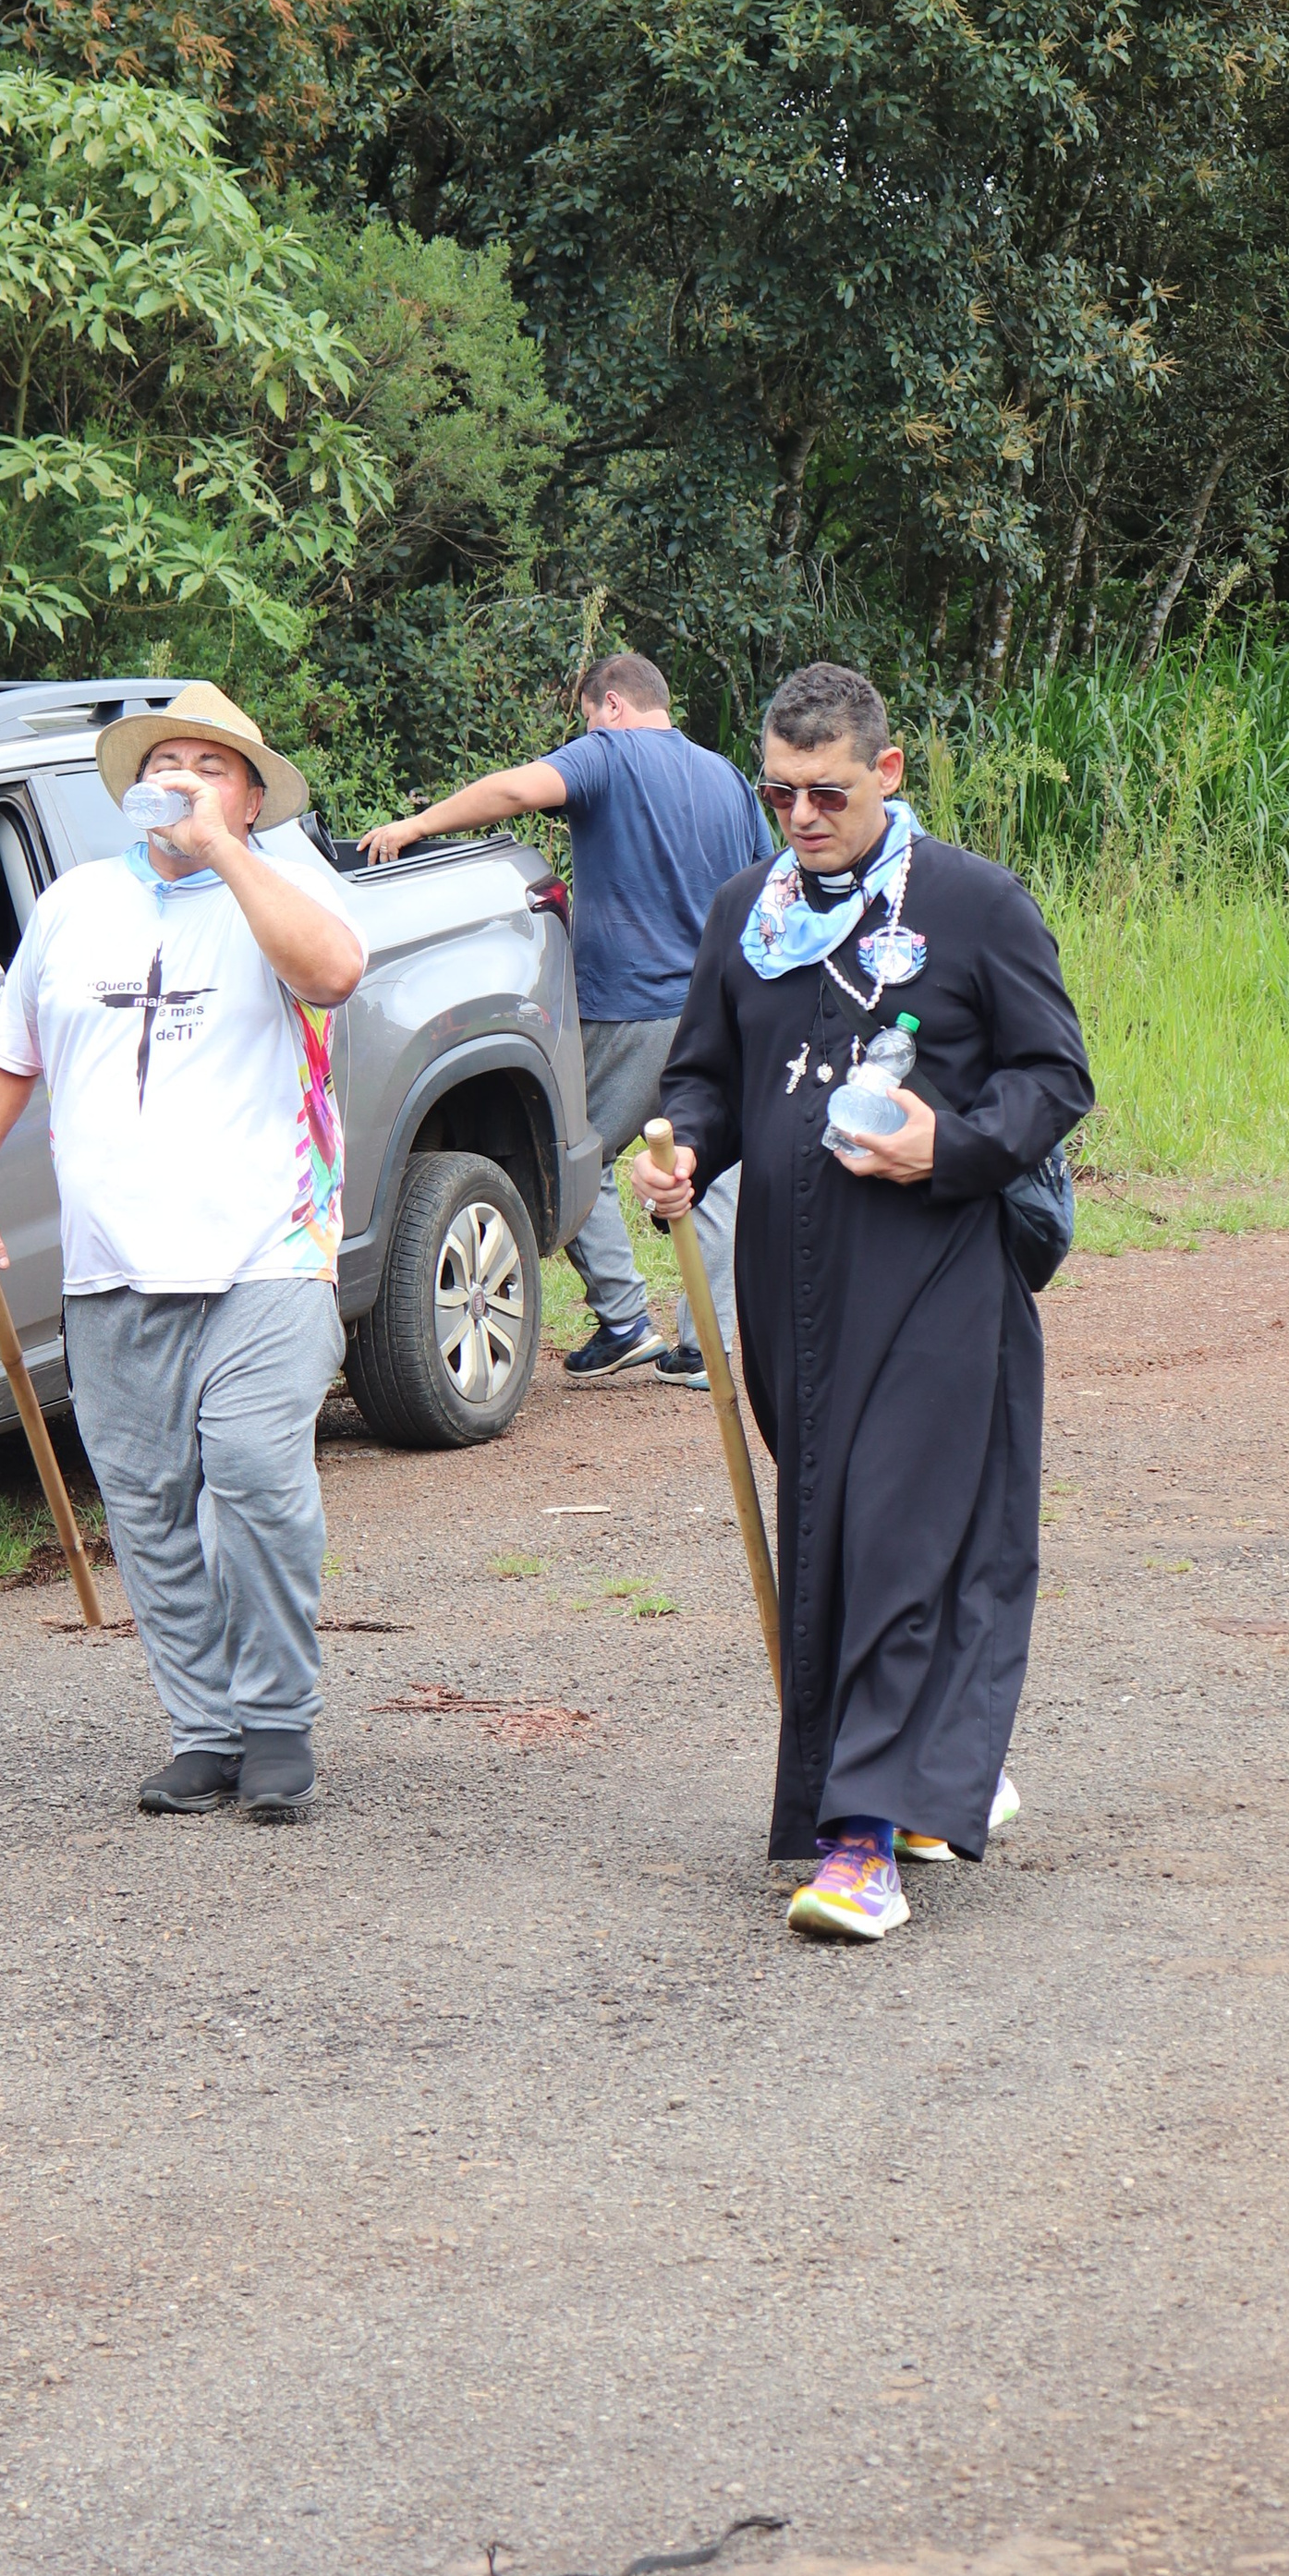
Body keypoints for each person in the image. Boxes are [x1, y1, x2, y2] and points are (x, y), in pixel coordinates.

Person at [634, 661, 1092, 1943]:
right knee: (837, 1530)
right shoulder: (746, 911)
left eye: (825, 792)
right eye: (779, 792)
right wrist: (679, 1150)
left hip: (942, 1270)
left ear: (885, 774)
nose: (801, 817)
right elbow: (705, 1082)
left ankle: (859, 1846)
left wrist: (944, 1147)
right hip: (789, 1285)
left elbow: (1055, 1078)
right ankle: (940, 1769)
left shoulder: (975, 904)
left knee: (893, 1540)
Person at [0, 688, 369, 1822]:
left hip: (268, 1251)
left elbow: (330, 973)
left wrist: (223, 851)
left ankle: (275, 1721)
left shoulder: (283, 880)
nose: (179, 779)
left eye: (209, 767)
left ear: (253, 795)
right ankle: (204, 1729)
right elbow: (5, 1051)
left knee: (257, 1480)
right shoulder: (77, 904)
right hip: (111, 1265)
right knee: (149, 1508)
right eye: (163, 761)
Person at [363, 650, 766, 1387]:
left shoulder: (608, 754)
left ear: (611, 704)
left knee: (570, 1149)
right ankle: (712, 1347)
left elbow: (518, 789)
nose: (585, 730)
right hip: (720, 1006)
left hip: (629, 1010)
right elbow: (764, 888)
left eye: (585, 717)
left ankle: (621, 1319)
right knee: (710, 1164)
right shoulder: (728, 778)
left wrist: (418, 824)